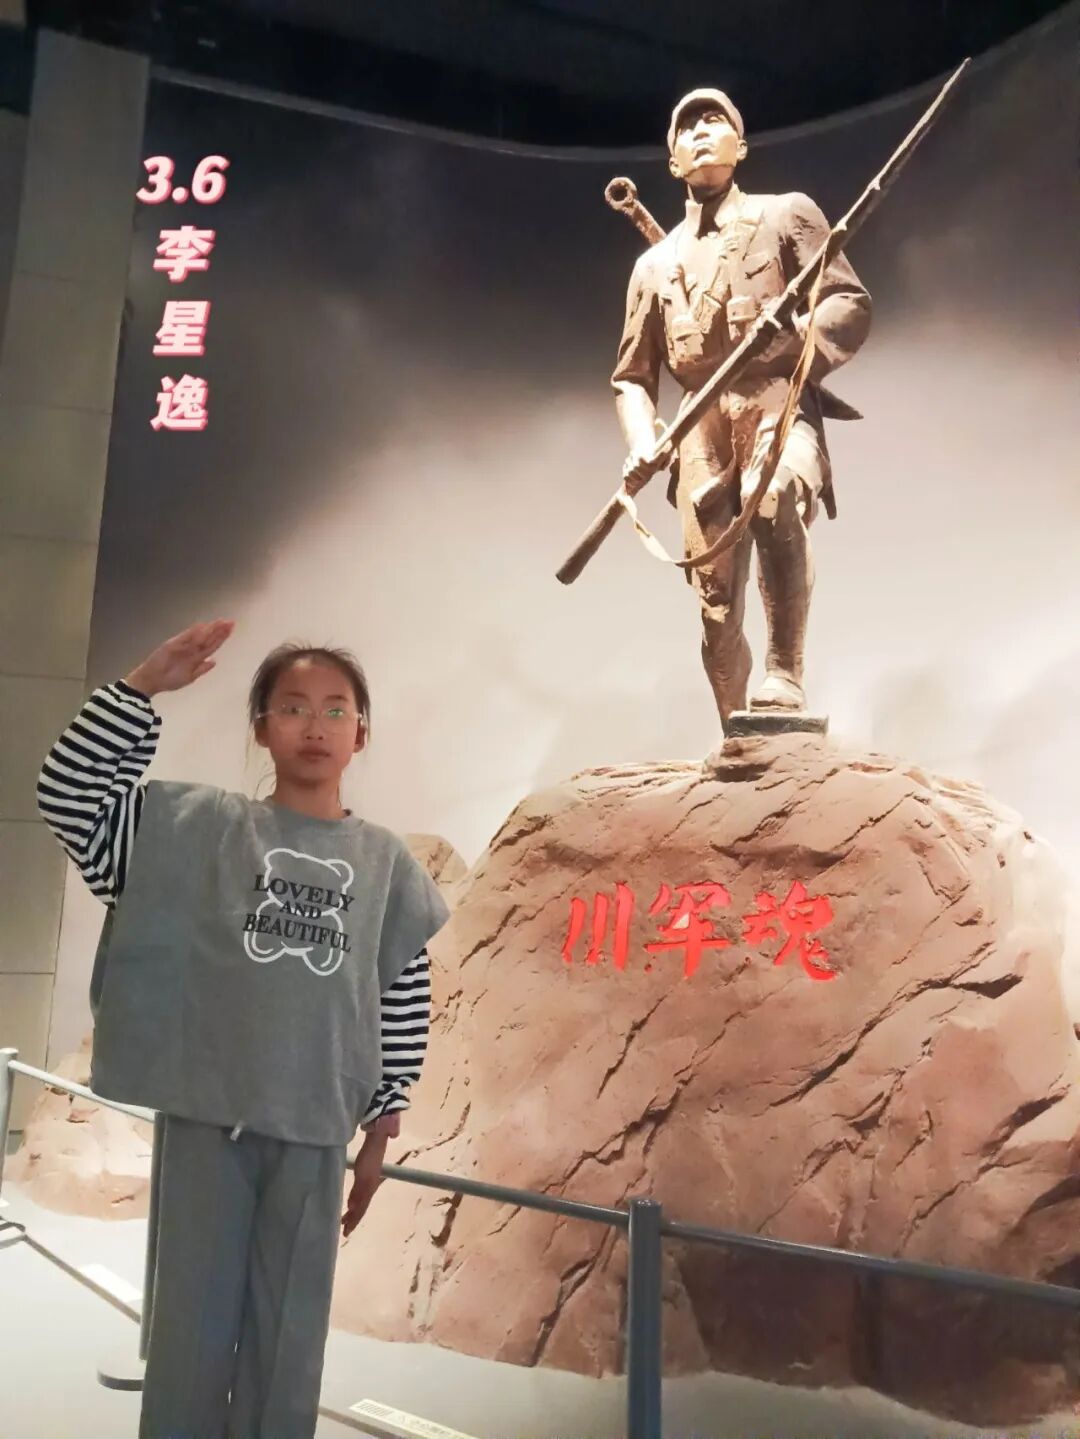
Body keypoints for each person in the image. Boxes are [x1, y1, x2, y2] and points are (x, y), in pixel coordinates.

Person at [37, 619, 449, 1439]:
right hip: (206, 1119)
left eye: (336, 708)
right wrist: (141, 687)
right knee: (189, 1331)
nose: (314, 725)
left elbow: (400, 997)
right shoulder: (196, 831)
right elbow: (69, 796)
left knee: (290, 1340)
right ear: (261, 726)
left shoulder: (387, 866)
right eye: (291, 706)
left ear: (361, 733)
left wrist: (382, 1127)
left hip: (314, 1129)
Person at [613, 87, 872, 731]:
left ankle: (785, 673)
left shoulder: (787, 215)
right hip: (699, 433)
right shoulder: (653, 267)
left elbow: (847, 302)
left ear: (742, 145)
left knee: (774, 495)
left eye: (714, 120)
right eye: (686, 128)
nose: (701, 132)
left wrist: (798, 335)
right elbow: (632, 378)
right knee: (716, 610)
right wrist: (643, 441)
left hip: (776, 403)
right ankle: (737, 731)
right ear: (671, 160)